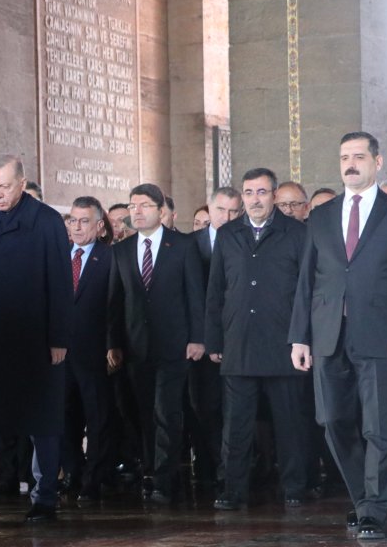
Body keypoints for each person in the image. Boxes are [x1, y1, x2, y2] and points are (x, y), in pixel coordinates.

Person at [289, 131, 387, 540]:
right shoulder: (323, 216)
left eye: (359, 156)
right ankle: (363, 498)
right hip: (328, 334)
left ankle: (373, 508)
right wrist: (300, 337)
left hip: (380, 337)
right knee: (332, 420)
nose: (351, 163)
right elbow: (307, 281)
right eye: (345, 156)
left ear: (377, 162)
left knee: (379, 426)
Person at [0, 154, 71, 524]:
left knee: (42, 421)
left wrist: (58, 337)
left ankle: (45, 500)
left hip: (35, 340)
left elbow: (60, 282)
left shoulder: (48, 221)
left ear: (22, 183)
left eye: (6, 186)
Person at [206, 168, 309, 510]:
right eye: (248, 192)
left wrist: (302, 338)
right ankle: (232, 490)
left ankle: (295, 486)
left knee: (289, 422)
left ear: (274, 196)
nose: (255, 199)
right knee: (235, 426)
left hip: (284, 344)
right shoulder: (228, 234)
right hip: (239, 342)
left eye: (262, 192)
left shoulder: (296, 233)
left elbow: (306, 292)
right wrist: (214, 340)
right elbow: (216, 290)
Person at [108, 183, 205, 504]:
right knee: (143, 411)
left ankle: (165, 478)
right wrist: (114, 343)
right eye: (132, 206)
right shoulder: (121, 250)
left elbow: (195, 295)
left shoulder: (184, 245)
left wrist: (197, 338)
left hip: (175, 345)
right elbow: (115, 301)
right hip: (136, 347)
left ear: (161, 210)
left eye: (144, 205)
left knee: (167, 411)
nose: (136, 211)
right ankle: (151, 469)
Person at [61, 196, 115, 501]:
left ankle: (93, 479)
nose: (77, 227)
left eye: (84, 221)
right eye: (73, 220)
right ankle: (72, 473)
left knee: (97, 419)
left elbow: (115, 306)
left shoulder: (110, 257)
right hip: (60, 354)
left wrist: (112, 345)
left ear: (98, 225)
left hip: (95, 353)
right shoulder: (59, 256)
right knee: (64, 418)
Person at [188, 186, 242, 486]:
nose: (227, 217)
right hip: (201, 343)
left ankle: (233, 471)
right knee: (205, 407)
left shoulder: (245, 241)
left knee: (236, 410)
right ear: (209, 210)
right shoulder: (189, 244)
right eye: (221, 210)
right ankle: (209, 470)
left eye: (234, 211)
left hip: (236, 341)